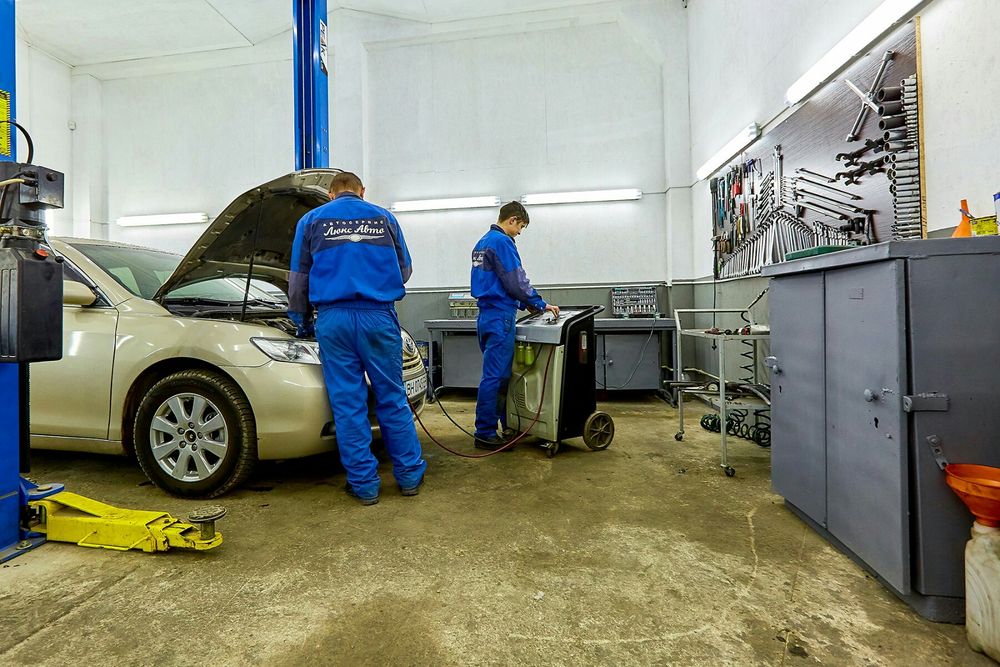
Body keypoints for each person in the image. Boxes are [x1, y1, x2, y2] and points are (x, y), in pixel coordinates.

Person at [288, 171, 427, 505]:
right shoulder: (384, 218)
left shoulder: (311, 220)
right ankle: (409, 476)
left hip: (333, 320)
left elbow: (298, 279)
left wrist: (301, 321)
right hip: (378, 316)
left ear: (331, 194)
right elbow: (405, 269)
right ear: (362, 191)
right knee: (392, 397)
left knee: (348, 404)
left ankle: (364, 485)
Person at [470, 201, 559, 450]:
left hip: (486, 316)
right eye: (520, 227)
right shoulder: (502, 242)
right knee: (496, 376)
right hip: (500, 317)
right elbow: (515, 280)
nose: (519, 232)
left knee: (497, 375)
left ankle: (507, 424)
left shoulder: (482, 242)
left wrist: (524, 304)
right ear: (512, 220)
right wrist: (538, 303)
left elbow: (497, 282)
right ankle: (485, 432)